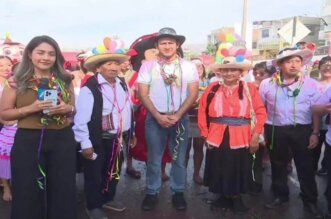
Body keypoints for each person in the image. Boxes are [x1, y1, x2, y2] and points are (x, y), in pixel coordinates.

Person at [0, 35, 76, 219]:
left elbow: (73, 111)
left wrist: (67, 108)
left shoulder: (65, 79)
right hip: (28, 140)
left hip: (62, 139)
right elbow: (4, 114)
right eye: (40, 52)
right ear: (30, 54)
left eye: (51, 53)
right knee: (27, 190)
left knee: (63, 189)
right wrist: (31, 108)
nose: (46, 57)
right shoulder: (16, 81)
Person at [138, 27, 199, 211]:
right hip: (155, 118)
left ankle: (178, 192)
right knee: (154, 159)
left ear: (177, 44)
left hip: (179, 119)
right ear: (157, 45)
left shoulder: (188, 66)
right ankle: (151, 191)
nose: (167, 46)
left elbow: (193, 93)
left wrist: (178, 115)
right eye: (163, 43)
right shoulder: (148, 66)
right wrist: (157, 115)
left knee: (179, 159)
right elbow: (143, 93)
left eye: (170, 42)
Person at [198, 51, 267, 213]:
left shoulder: (249, 88)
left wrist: (256, 135)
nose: (229, 73)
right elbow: (202, 111)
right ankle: (222, 195)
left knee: (239, 166)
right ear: (220, 72)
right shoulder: (212, 88)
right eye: (225, 70)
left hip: (242, 135)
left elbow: (260, 112)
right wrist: (205, 134)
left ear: (240, 72)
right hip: (216, 134)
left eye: (233, 70)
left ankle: (236, 197)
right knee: (219, 165)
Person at [260, 48, 323, 218]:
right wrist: (260, 133)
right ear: (280, 65)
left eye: (297, 61)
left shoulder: (311, 84)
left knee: (305, 166)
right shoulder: (267, 84)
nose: (294, 65)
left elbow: (316, 111)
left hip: (302, 129)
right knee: (278, 164)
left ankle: (310, 200)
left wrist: (315, 133)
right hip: (275, 128)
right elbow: (261, 109)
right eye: (288, 61)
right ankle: (281, 196)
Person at [73, 49, 134, 219]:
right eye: (109, 64)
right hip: (97, 139)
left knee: (114, 171)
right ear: (99, 68)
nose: (114, 67)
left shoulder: (122, 84)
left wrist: (130, 133)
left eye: (116, 63)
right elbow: (81, 119)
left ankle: (108, 198)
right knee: (94, 174)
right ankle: (93, 205)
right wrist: (85, 143)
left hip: (118, 138)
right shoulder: (90, 88)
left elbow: (127, 110)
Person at [248, 61, 276, 195]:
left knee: (260, 157)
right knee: (252, 156)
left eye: (262, 73)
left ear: (270, 74)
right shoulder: (248, 86)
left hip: (269, 125)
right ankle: (250, 182)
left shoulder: (274, 86)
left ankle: (258, 184)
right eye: (255, 73)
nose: (258, 76)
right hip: (250, 126)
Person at [186, 58, 208, 185]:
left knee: (199, 148)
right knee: (185, 148)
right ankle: (181, 174)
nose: (198, 69)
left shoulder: (208, 82)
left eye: (200, 67)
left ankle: (196, 174)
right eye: (194, 67)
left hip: (201, 120)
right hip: (187, 118)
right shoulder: (184, 82)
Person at [0, 55, 15, 202]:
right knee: (4, 156)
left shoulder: (15, 82)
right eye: (1, 65)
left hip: (14, 124)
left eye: (8, 65)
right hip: (5, 124)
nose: (6, 68)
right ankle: (6, 186)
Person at [314, 56, 331, 176]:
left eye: (330, 65)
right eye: (324, 65)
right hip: (315, 125)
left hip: (329, 127)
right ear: (319, 67)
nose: (327, 67)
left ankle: (325, 168)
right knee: (313, 152)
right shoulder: (312, 84)